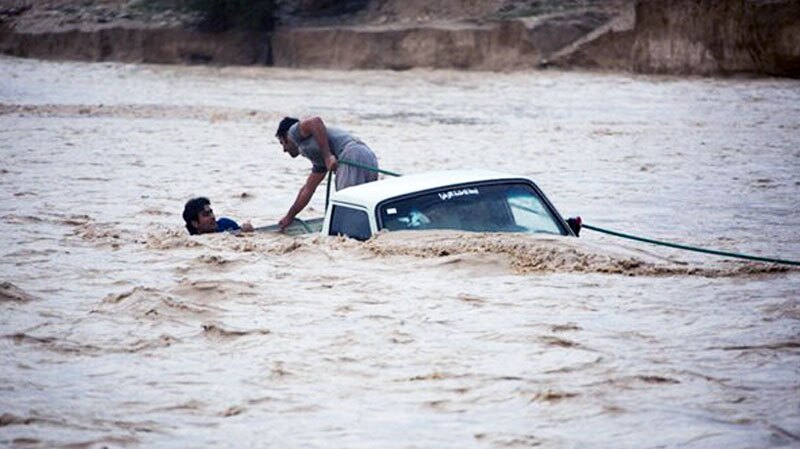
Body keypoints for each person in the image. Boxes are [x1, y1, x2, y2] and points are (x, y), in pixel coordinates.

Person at [275, 116, 378, 230]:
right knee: (362, 206)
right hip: (367, 157)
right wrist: (290, 216)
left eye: (282, 143)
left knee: (346, 204)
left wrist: (328, 156)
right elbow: (307, 189)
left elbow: (315, 121)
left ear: (286, 137)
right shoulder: (318, 160)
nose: (284, 150)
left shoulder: (293, 132)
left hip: (351, 154)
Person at [182, 197, 254, 235]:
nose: (212, 216)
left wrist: (246, 231)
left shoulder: (226, 224)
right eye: (206, 215)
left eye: (211, 212)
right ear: (195, 223)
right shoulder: (192, 242)